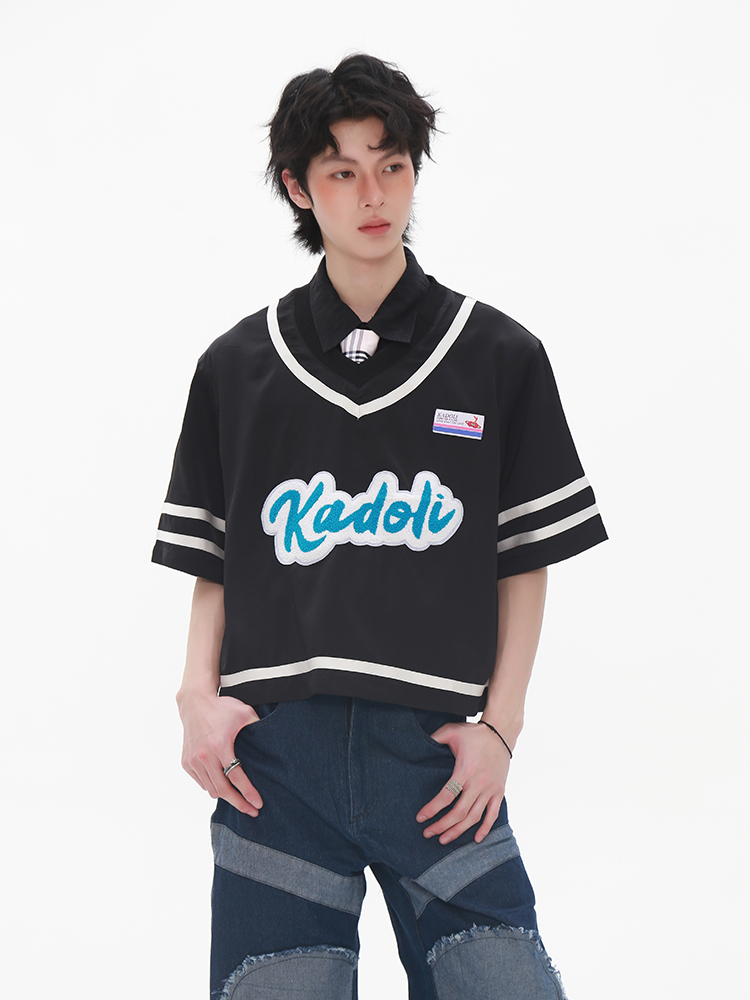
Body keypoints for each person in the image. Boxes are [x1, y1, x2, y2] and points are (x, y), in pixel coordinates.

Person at [152, 53, 607, 999]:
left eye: (391, 166)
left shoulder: (498, 355)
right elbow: (217, 559)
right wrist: (196, 696)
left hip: (433, 764)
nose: (373, 195)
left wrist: (502, 728)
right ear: (298, 187)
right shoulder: (238, 366)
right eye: (343, 171)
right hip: (277, 764)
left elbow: (524, 559)